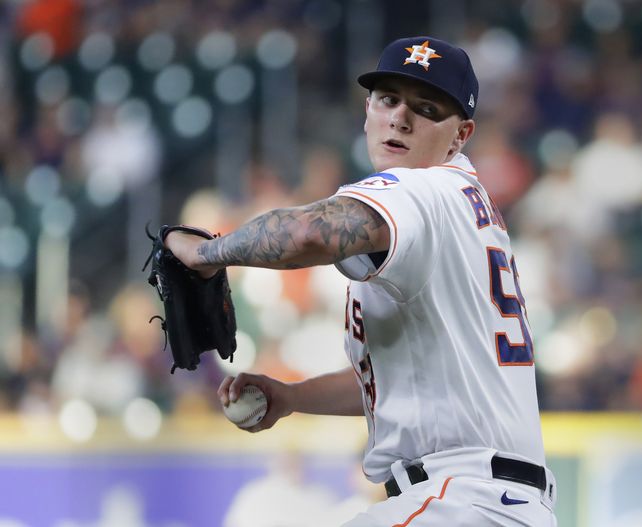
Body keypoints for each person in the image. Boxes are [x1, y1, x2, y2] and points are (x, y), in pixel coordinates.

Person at [165, 36, 557, 526]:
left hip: (462, 499)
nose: (400, 118)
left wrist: (204, 253)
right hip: (491, 501)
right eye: (388, 100)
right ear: (367, 109)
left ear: (461, 135)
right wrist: (293, 397)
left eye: (427, 108)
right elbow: (398, 383)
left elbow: (308, 232)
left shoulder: (422, 188)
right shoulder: (457, 207)